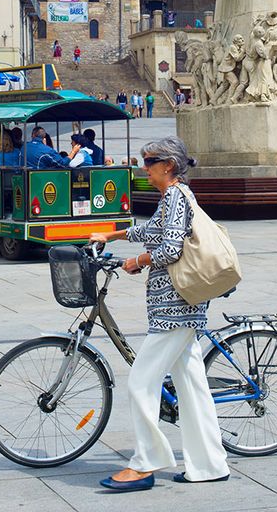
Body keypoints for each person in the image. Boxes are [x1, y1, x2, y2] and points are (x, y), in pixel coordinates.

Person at [89, 137, 229, 491]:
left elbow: (169, 247)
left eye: (149, 161)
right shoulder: (173, 197)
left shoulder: (177, 196)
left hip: (176, 308)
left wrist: (137, 261)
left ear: (168, 165)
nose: (144, 168)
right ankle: (210, 464)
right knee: (191, 385)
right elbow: (153, 231)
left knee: (141, 381)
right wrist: (113, 235)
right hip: (177, 306)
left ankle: (145, 464)